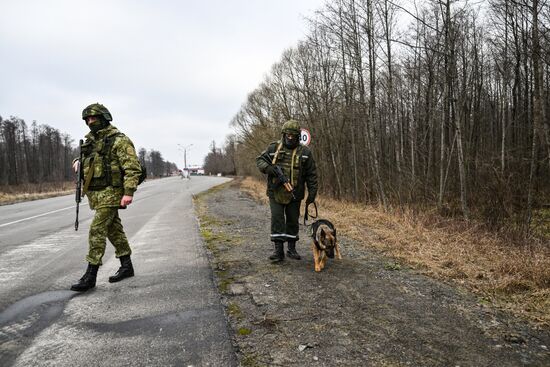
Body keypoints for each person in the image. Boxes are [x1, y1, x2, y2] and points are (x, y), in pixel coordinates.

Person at [71, 103, 142, 292]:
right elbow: (90, 160)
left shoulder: (119, 140)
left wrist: (128, 193)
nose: (90, 122)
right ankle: (127, 265)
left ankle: (90, 275)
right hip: (97, 194)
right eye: (87, 119)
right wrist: (78, 161)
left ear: (104, 118)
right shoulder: (91, 141)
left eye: (93, 118)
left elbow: (132, 168)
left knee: (97, 230)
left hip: (112, 193)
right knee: (114, 230)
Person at [256, 119, 318, 262]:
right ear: (284, 134)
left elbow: (312, 175)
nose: (290, 138)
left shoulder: (305, 152)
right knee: (277, 219)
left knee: (292, 221)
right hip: (275, 192)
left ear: (297, 136)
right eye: (288, 135)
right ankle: (278, 251)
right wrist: (269, 168)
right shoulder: (274, 148)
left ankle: (291, 249)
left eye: (293, 136)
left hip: (295, 193)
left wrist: (312, 194)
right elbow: (259, 160)